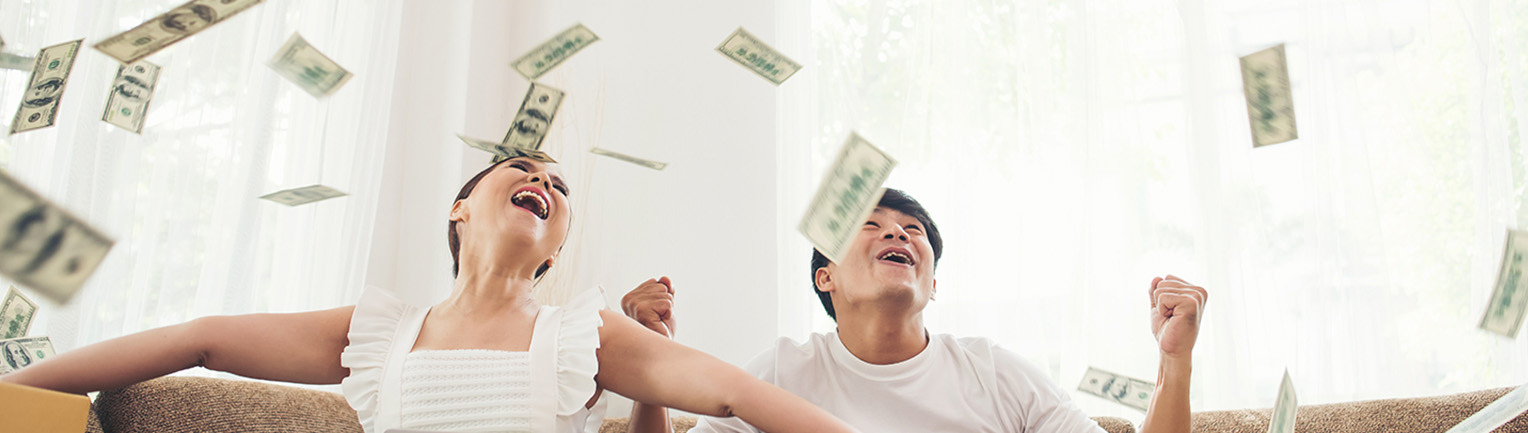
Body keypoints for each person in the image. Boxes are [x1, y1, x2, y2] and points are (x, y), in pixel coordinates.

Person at [0, 156, 858, 433]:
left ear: (558, 245)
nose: (542, 180)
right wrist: (14, 399)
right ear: (460, 210)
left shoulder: (578, 332)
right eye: (521, 170)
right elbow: (201, 339)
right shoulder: (381, 332)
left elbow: (739, 394)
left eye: (560, 187)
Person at [624, 188, 1209, 433]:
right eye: (870, 227)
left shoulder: (993, 371)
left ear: (934, 282)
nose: (897, 235)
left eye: (913, 231)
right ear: (824, 277)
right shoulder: (779, 371)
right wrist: (647, 370)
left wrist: (1173, 363)